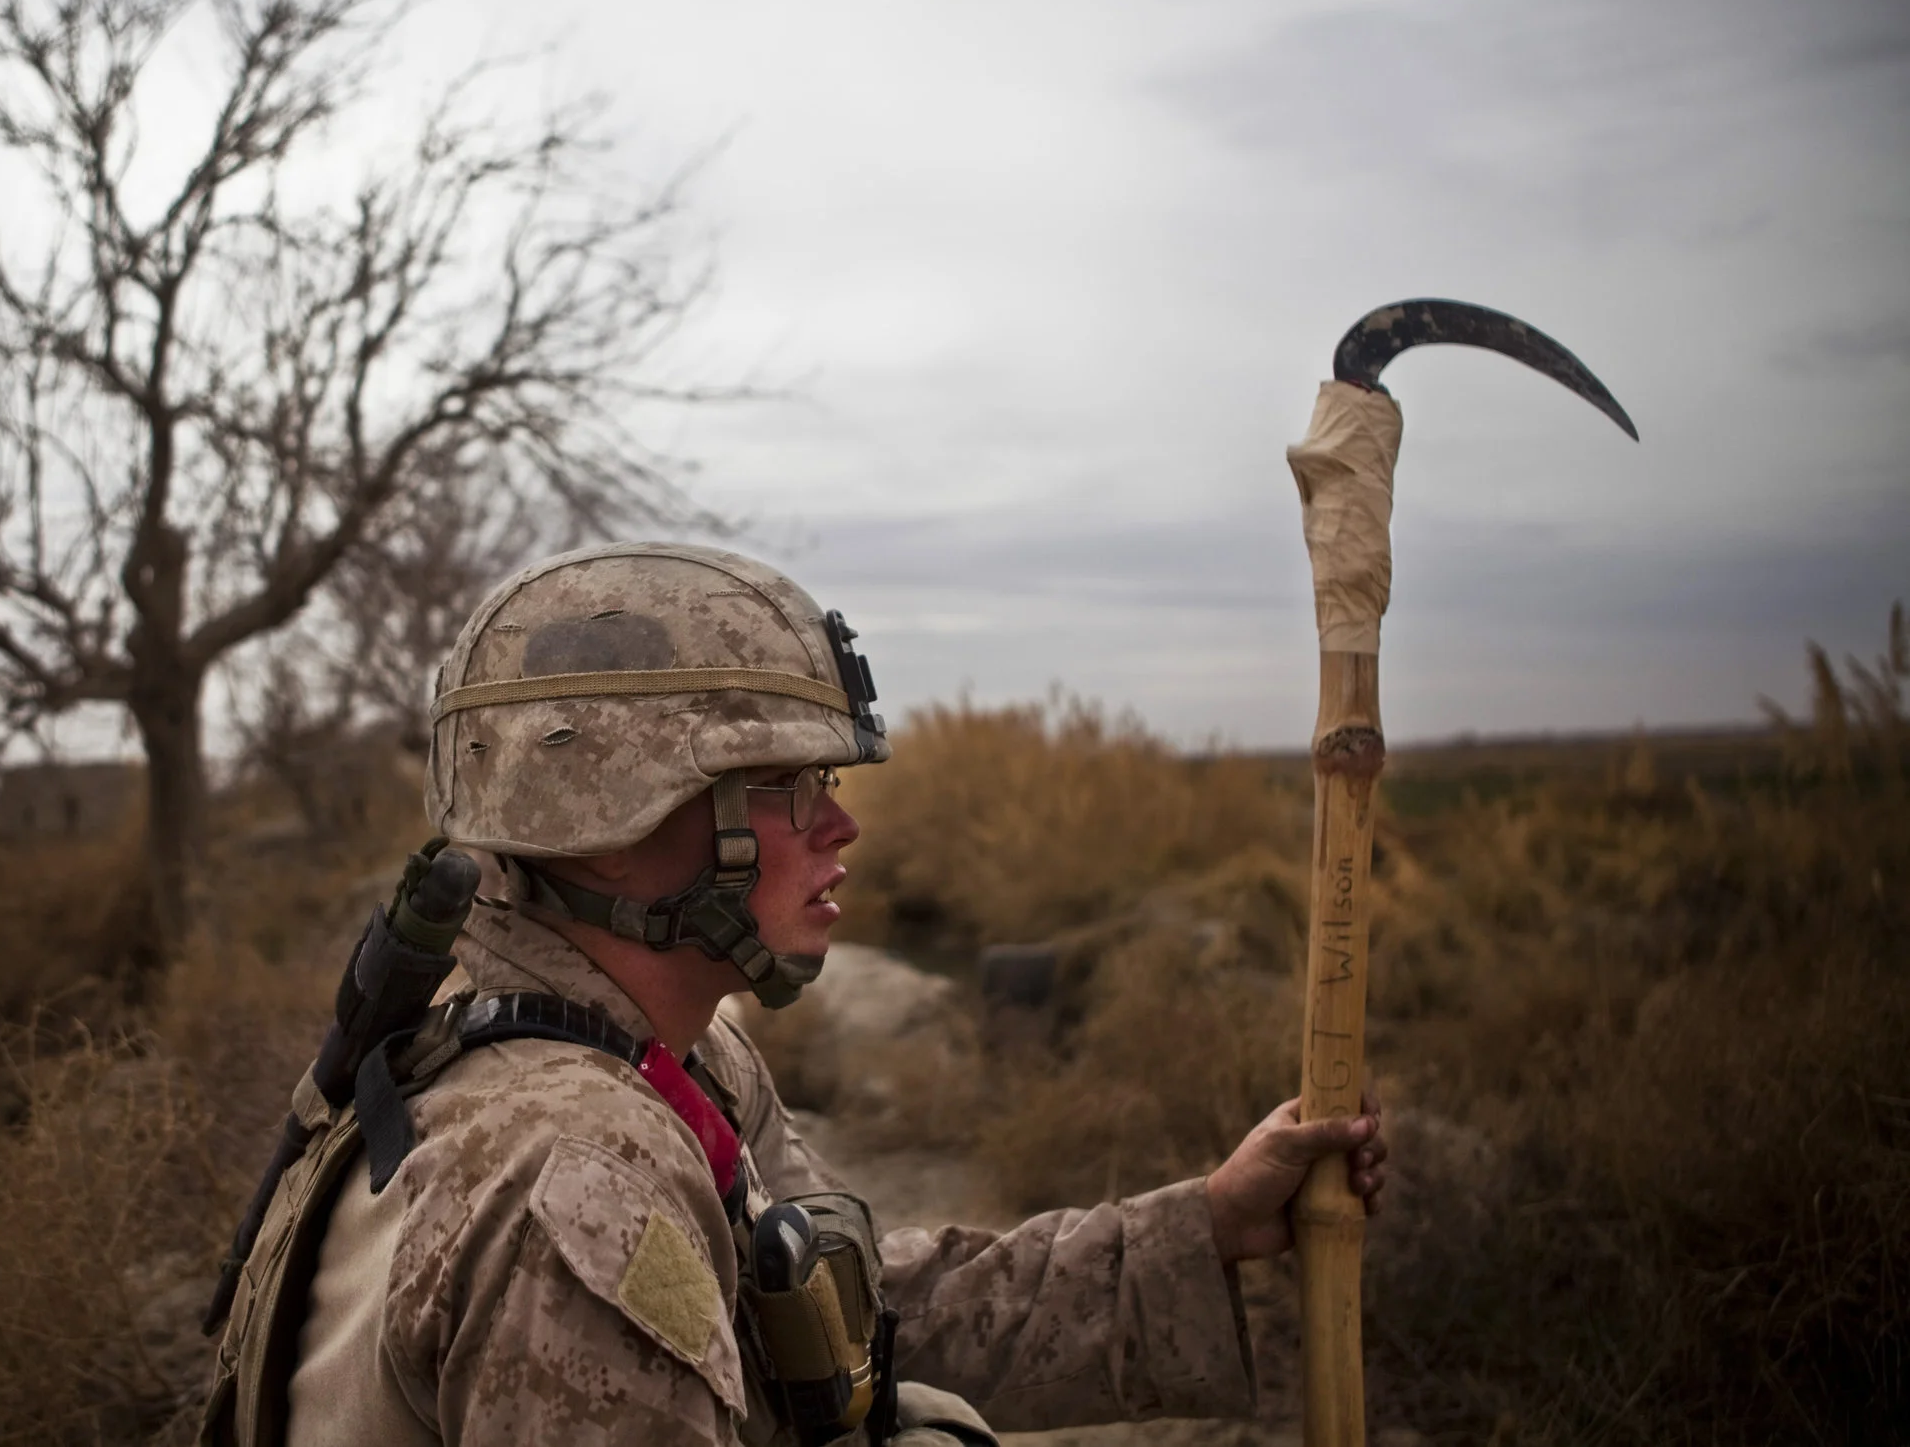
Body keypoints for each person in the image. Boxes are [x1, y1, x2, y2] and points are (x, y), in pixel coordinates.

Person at [202, 542, 1387, 1445]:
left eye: (823, 775)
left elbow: (843, 1308)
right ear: (608, 824)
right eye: (778, 783)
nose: (839, 824)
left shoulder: (656, 1046)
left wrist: (1204, 1227)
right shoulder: (574, 1176)